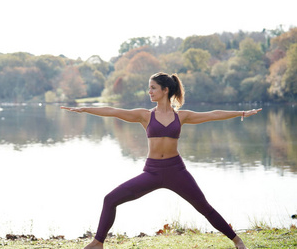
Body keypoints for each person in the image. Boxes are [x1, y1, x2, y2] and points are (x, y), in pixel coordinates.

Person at [61, 72, 261, 249]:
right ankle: (98, 242)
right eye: (149, 88)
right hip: (152, 172)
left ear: (165, 90)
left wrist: (241, 113)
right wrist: (85, 109)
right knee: (110, 199)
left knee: (204, 207)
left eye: (153, 88)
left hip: (177, 171)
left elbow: (212, 115)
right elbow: (113, 110)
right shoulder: (145, 115)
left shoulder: (181, 116)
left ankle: (237, 241)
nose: (149, 92)